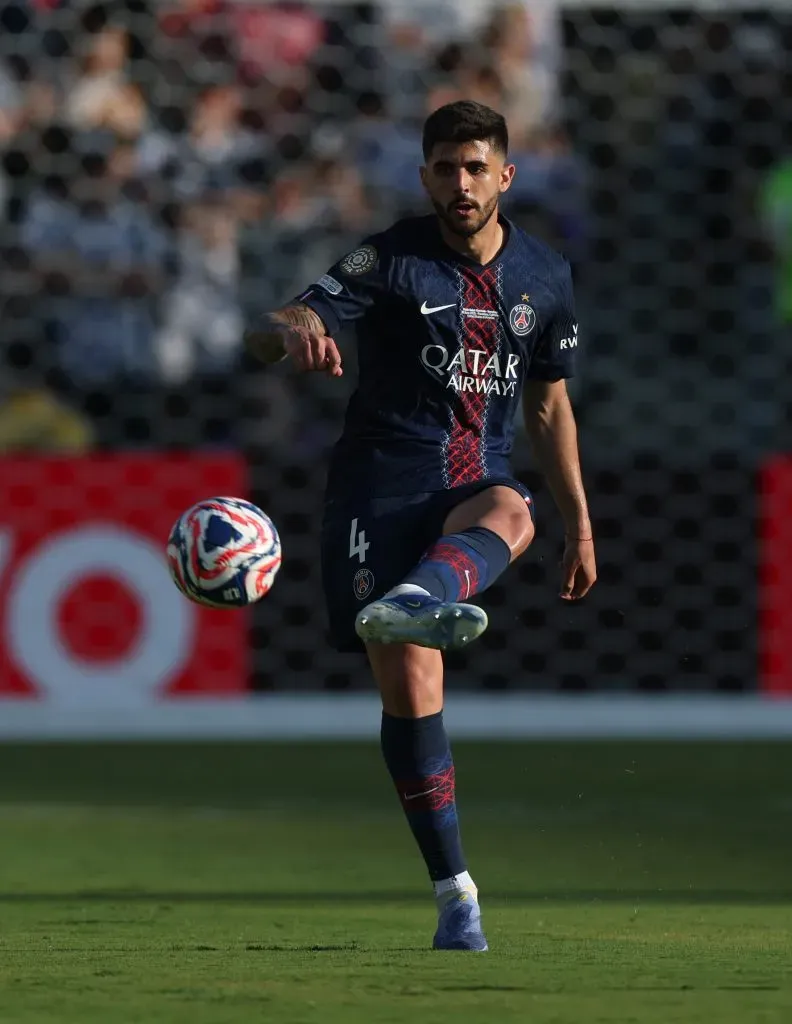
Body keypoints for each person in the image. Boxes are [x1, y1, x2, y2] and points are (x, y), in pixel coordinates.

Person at [245, 100, 596, 951]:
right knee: (414, 692)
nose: (461, 183)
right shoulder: (391, 259)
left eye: (476, 168)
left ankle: (419, 594)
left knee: (513, 511)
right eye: (446, 168)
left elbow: (550, 407)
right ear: (425, 176)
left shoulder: (544, 277)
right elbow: (287, 320)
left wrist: (580, 522)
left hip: (476, 477)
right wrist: (293, 333)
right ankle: (455, 892)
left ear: (505, 176)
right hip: (378, 492)